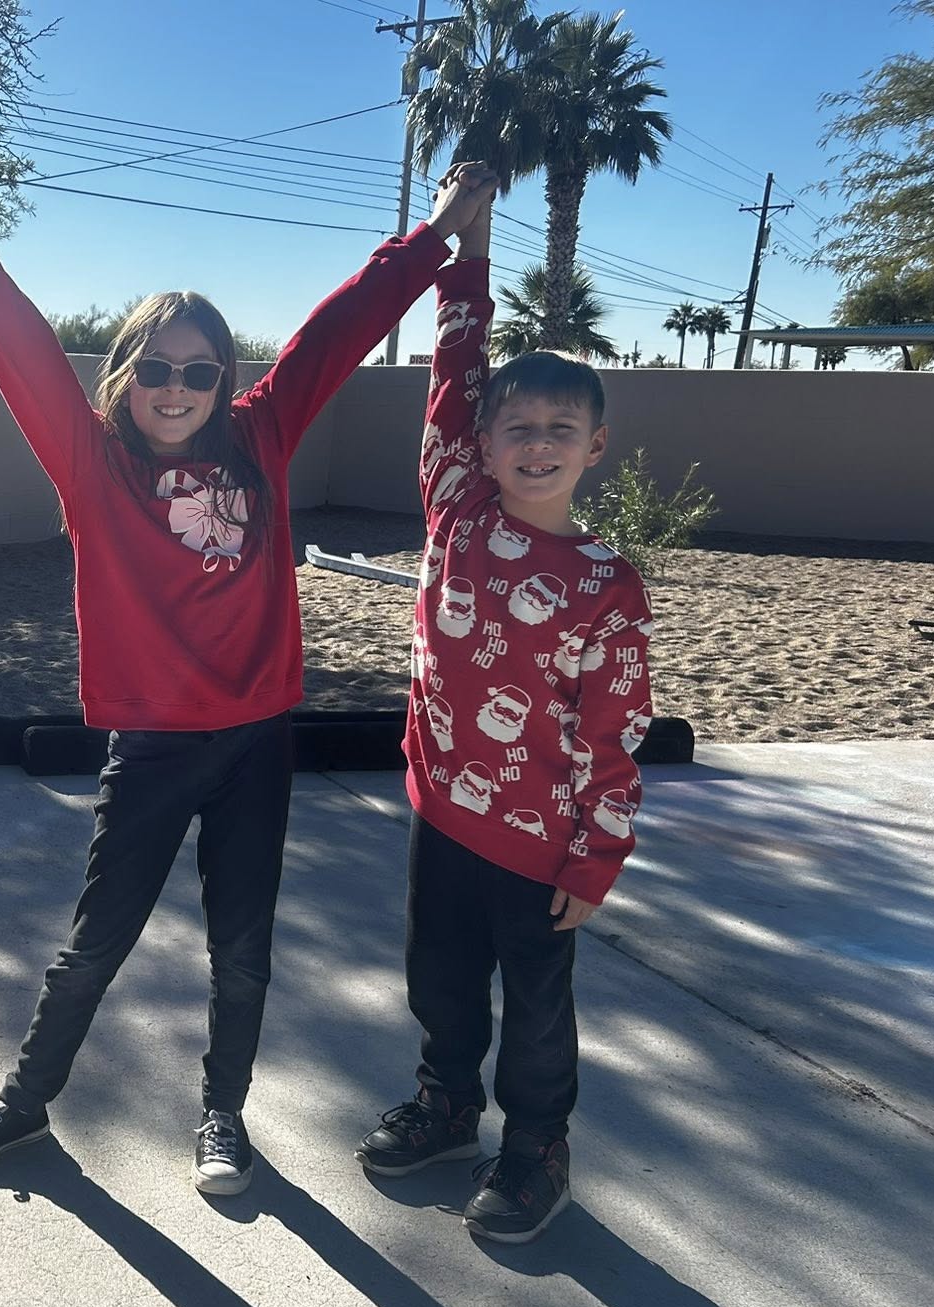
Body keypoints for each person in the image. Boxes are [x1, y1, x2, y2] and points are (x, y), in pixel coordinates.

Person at [0, 171, 496, 1194]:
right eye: (154, 368)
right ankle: (23, 1105)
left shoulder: (261, 438)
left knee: (243, 950)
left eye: (197, 370)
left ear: (224, 381)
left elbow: (335, 334)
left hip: (256, 744)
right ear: (125, 375)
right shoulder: (94, 465)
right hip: (151, 750)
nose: (174, 387)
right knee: (95, 946)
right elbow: (27, 358)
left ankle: (222, 1117)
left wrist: (435, 236)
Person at [353, 172, 654, 1245]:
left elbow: (615, 732)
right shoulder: (458, 506)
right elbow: (454, 369)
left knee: (533, 1006)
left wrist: (596, 856)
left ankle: (534, 1147)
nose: (535, 442)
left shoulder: (605, 584)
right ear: (480, 446)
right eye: (516, 425)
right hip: (442, 811)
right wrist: (469, 248)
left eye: (559, 428)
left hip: (541, 840)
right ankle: (445, 1106)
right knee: (437, 980)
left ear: (593, 447)